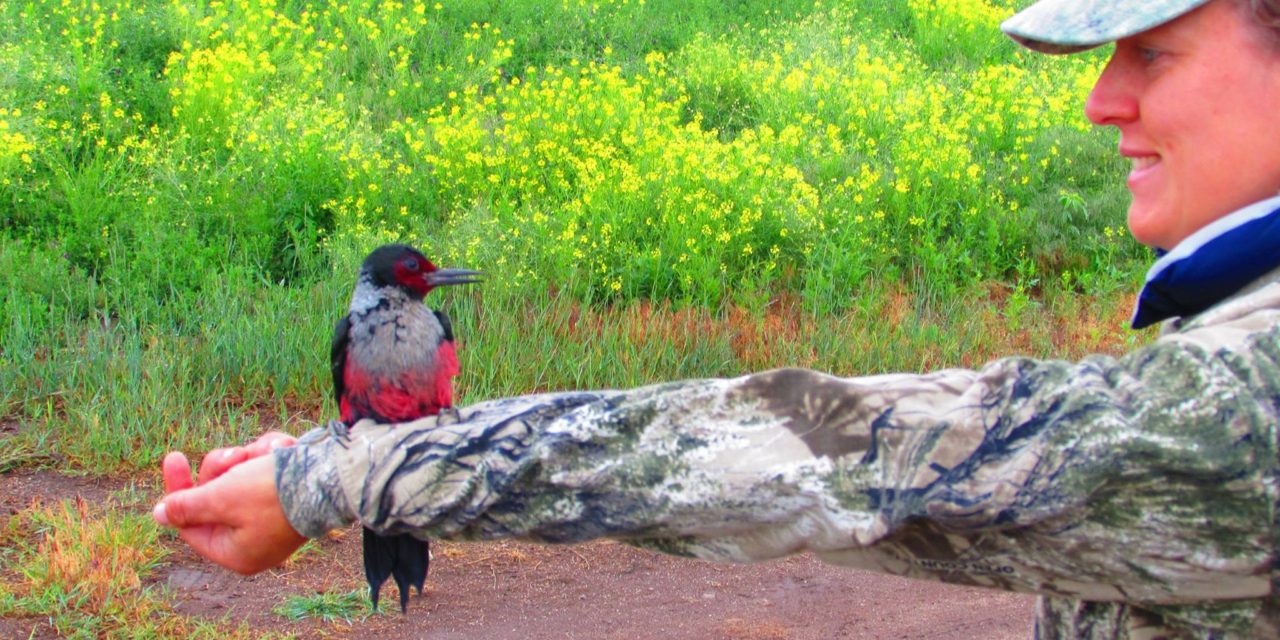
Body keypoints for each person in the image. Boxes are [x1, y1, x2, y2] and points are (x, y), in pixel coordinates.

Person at [153, 0, 1280, 636]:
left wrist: (331, 478)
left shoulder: (1249, 397)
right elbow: (939, 513)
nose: (1099, 101)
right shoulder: (1223, 330)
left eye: (1152, 51)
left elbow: (817, 457)